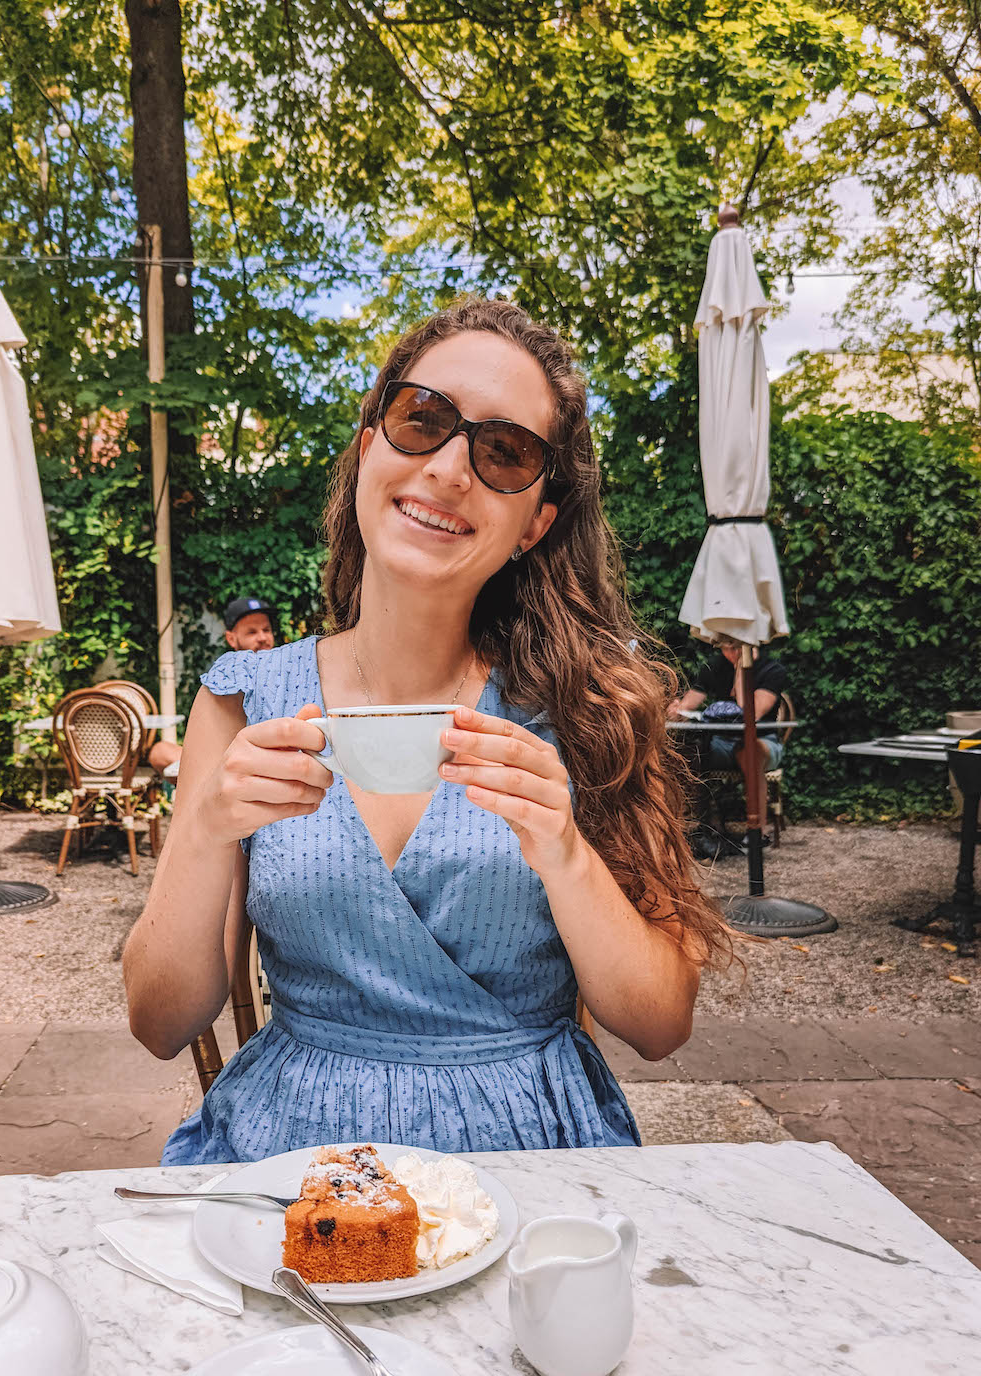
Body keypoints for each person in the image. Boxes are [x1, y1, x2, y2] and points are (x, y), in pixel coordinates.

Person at [124, 296, 732, 1164]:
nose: (450, 469)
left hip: (533, 1158)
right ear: (370, 445)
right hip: (291, 1163)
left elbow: (660, 1024)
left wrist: (563, 850)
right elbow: (159, 1022)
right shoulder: (241, 701)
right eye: (423, 419)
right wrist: (207, 830)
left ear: (536, 523)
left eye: (505, 452)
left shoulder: (590, 709)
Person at [147, 596, 276, 777]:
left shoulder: (284, 671)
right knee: (160, 752)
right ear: (231, 639)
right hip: (226, 758)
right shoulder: (227, 673)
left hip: (263, 761)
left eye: (266, 630)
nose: (262, 638)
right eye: (252, 632)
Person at [667, 642, 788, 772]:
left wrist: (742, 672)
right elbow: (687, 706)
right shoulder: (716, 665)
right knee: (682, 753)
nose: (734, 654)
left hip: (762, 739)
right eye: (727, 649)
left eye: (737, 648)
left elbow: (752, 714)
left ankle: (757, 793)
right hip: (721, 742)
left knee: (750, 753)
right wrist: (676, 711)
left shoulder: (772, 670)